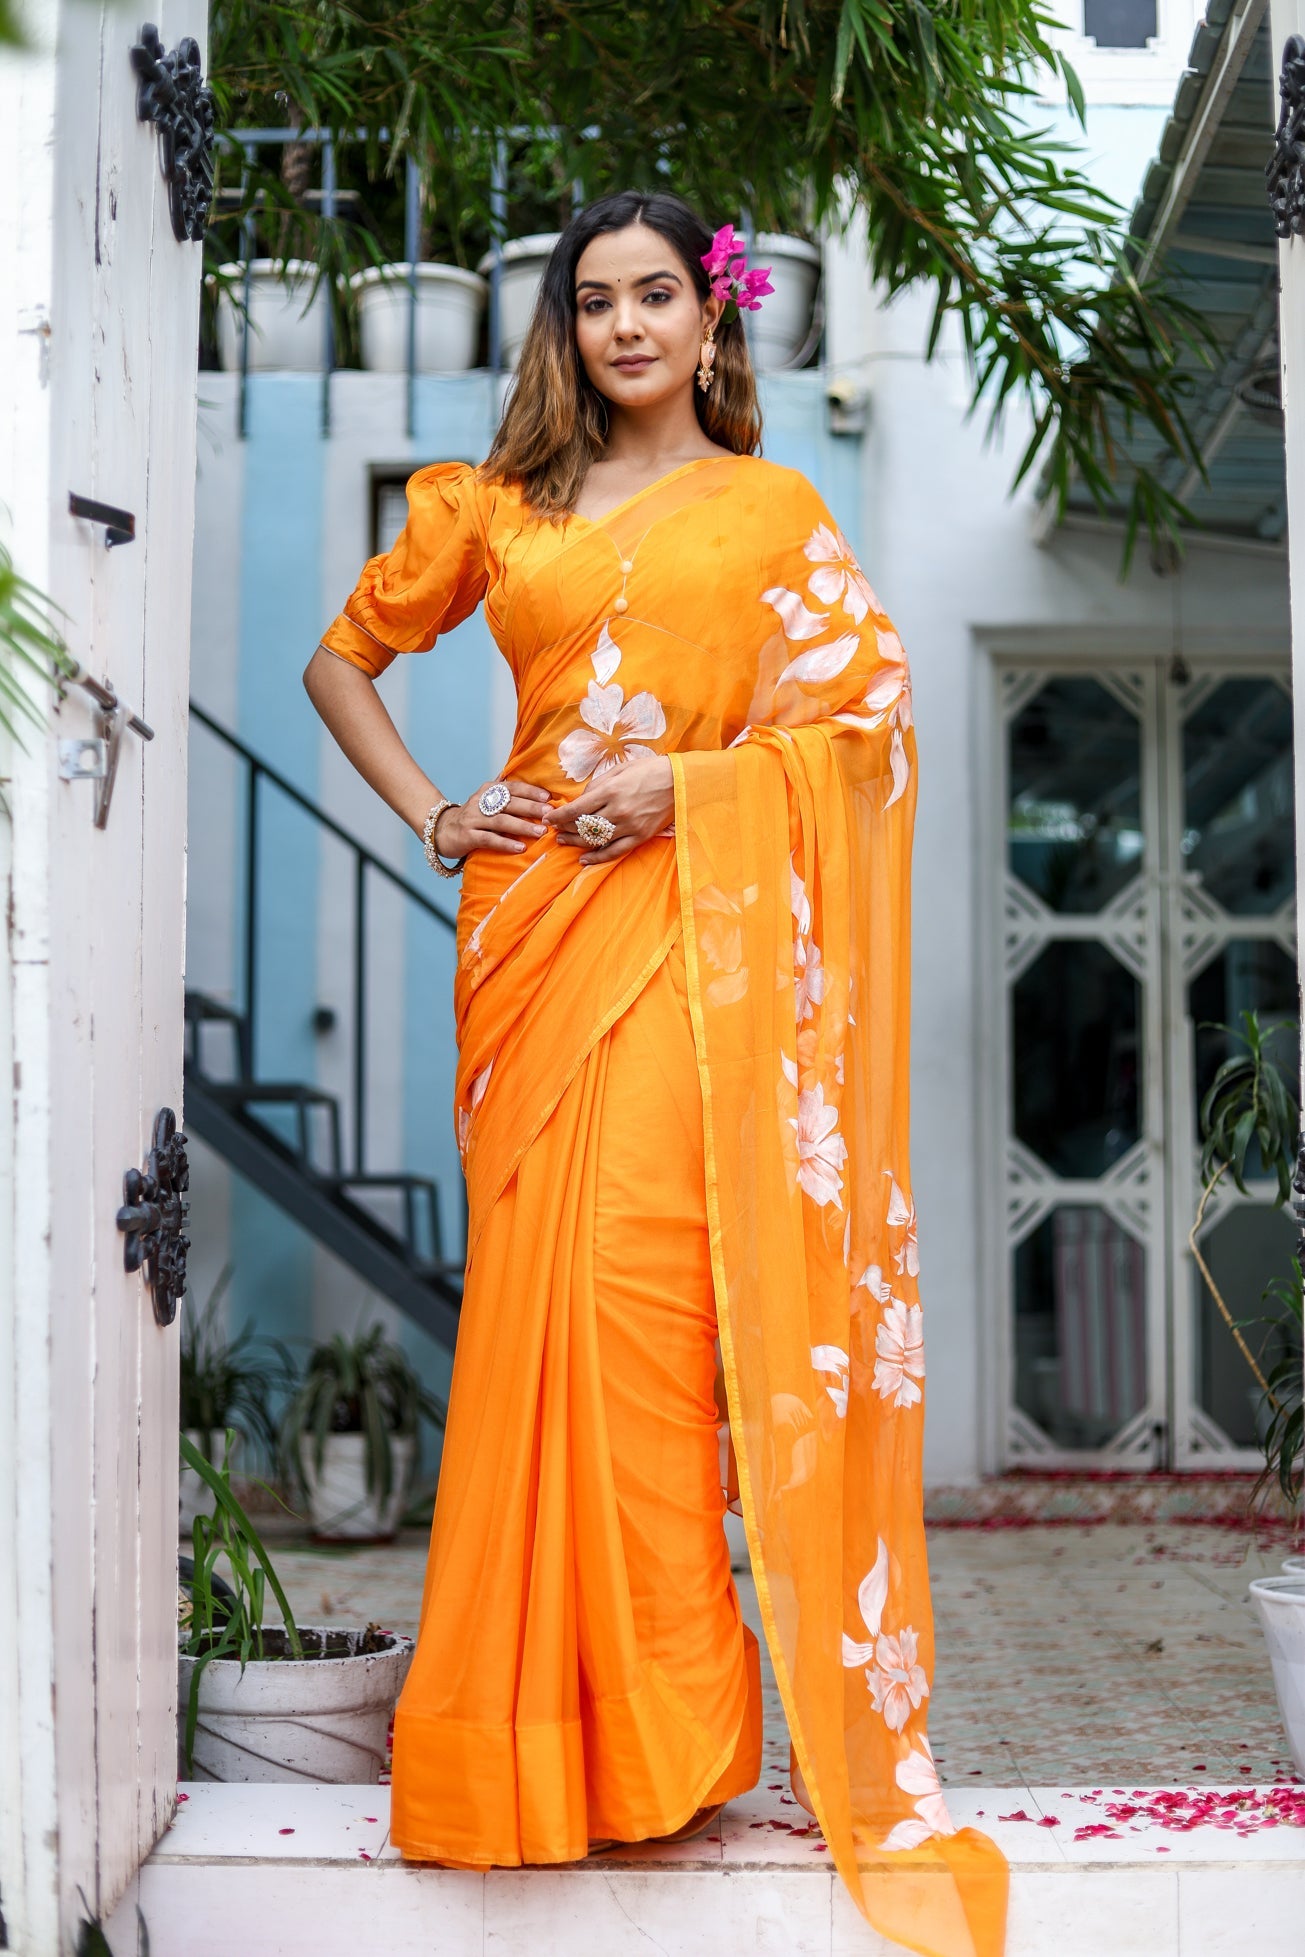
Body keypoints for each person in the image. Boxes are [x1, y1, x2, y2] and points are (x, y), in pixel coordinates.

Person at [305, 189, 1007, 1955]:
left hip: (687, 969)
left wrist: (685, 791)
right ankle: (526, 1754)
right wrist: (445, 815)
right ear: (567, 326)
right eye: (593, 300)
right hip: (534, 948)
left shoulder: (772, 516)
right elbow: (344, 660)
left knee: (644, 1329)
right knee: (536, 1334)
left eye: (654, 298)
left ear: (714, 319)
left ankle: (672, 1744)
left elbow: (861, 731)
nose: (624, 327)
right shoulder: (496, 509)